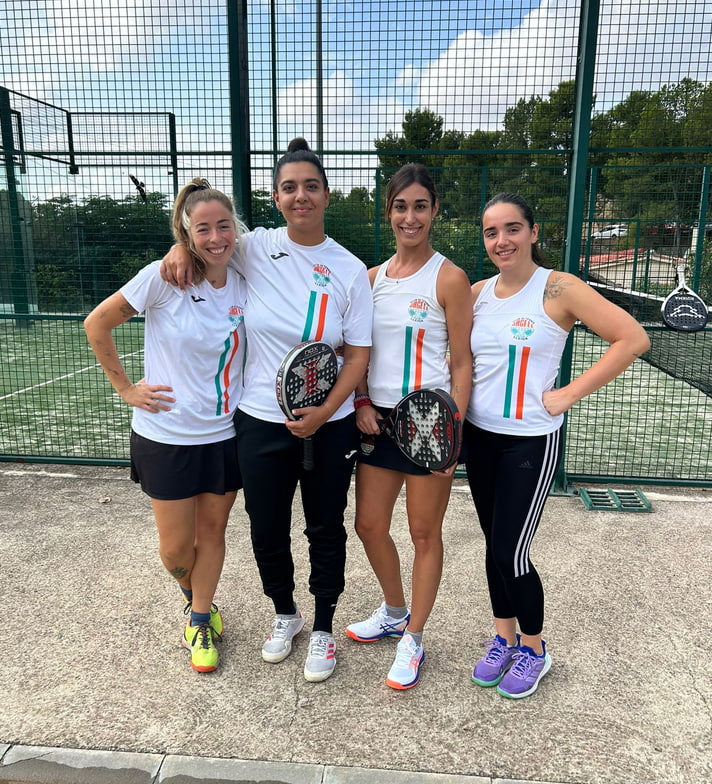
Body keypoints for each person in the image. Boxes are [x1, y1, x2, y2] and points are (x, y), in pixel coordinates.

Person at [160, 139, 372, 683]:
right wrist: (179, 248)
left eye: (311, 186)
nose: (301, 196)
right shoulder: (253, 247)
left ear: (326, 195)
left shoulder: (350, 269)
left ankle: (323, 626)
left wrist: (325, 412)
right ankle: (286, 613)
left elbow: (357, 355)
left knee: (326, 527)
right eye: (289, 188)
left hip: (329, 424)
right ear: (276, 198)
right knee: (266, 527)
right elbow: (207, 239)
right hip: (258, 419)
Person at [465, 192, 650, 699]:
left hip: (529, 441)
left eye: (512, 229)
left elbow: (633, 338)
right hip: (479, 436)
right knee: (494, 546)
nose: (502, 240)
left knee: (512, 551)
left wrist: (567, 394)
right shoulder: (478, 293)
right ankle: (503, 640)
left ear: (533, 232)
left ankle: (534, 649)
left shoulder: (559, 287)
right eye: (491, 232)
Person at [84, 178, 248, 673]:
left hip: (224, 434)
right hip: (165, 435)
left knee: (213, 532)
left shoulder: (246, 273)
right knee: (176, 549)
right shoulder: (161, 277)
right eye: (203, 229)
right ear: (186, 232)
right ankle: (191, 594)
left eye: (224, 226)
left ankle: (200, 619)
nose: (216, 238)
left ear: (235, 228)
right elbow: (97, 323)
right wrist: (126, 389)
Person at [344, 163, 473, 689]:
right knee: (369, 526)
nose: (410, 217)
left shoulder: (449, 278)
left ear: (434, 210)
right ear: (389, 211)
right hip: (378, 419)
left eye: (420, 206)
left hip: (429, 424)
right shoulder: (371, 279)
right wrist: (360, 400)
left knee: (423, 533)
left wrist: (451, 435)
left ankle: (414, 638)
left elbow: (461, 363)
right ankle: (395, 612)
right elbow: (358, 351)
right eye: (401, 206)